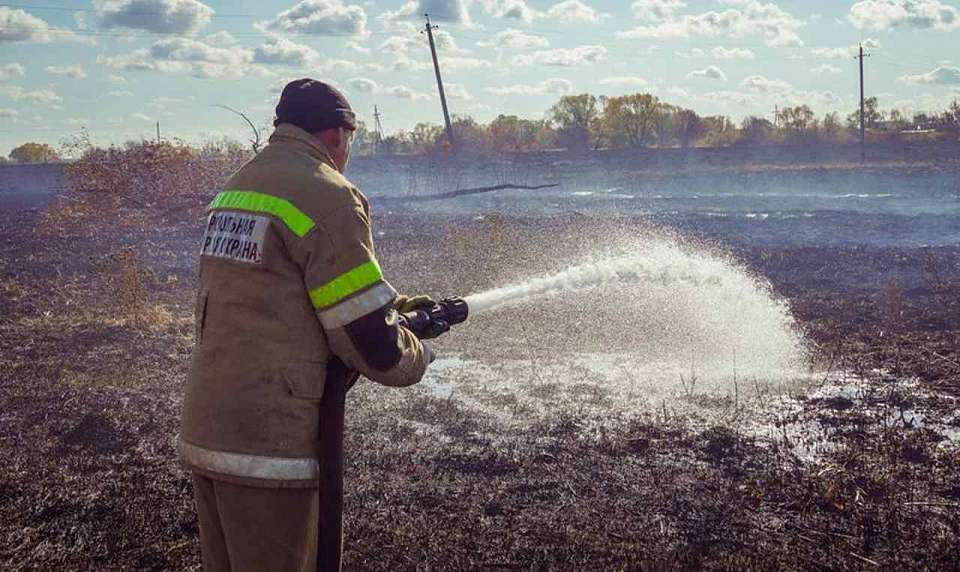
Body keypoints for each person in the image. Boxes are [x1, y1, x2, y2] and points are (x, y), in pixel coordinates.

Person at [179, 78, 437, 571]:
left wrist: (395, 303)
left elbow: (282, 294)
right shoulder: (328, 194)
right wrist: (414, 347)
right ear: (339, 135)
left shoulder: (239, 187)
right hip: (270, 446)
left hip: (210, 430)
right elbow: (374, 347)